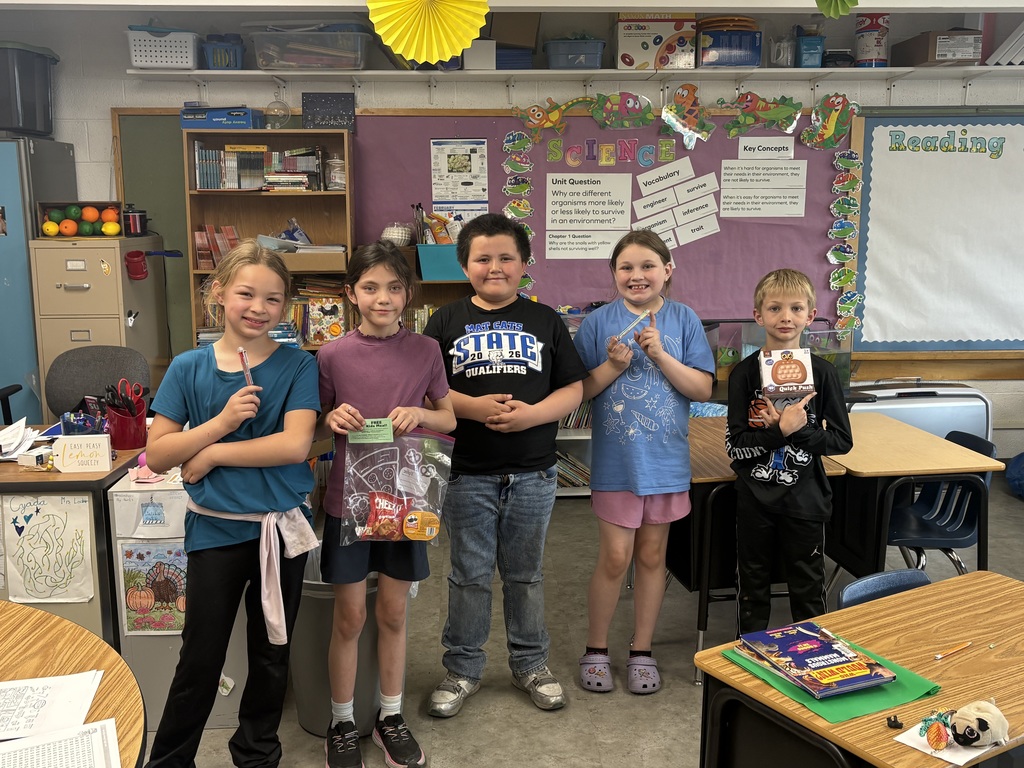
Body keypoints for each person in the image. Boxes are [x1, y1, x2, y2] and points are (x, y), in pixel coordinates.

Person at [144, 240, 321, 768]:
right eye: (245, 293)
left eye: (273, 299)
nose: (258, 308)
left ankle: (257, 752)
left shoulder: (297, 366)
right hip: (216, 533)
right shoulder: (187, 368)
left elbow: (293, 446)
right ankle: (170, 760)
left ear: (285, 308)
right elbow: (158, 454)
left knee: (271, 653)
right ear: (219, 292)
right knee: (199, 656)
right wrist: (220, 422)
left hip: (279, 531)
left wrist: (214, 453)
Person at [423, 213, 587, 717]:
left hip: (534, 471)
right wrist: (474, 408)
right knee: (468, 575)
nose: (495, 267)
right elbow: (426, 387)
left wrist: (533, 415)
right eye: (482, 258)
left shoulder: (545, 320)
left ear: (524, 264)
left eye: (506, 258)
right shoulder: (445, 320)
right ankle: (463, 669)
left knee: (526, 574)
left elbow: (574, 387)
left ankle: (531, 664)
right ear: (464, 265)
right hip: (467, 472)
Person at [316, 241, 455, 768]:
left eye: (394, 287)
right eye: (370, 287)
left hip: (406, 498)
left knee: (394, 611)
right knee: (349, 617)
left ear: (409, 294)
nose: (383, 298)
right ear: (351, 294)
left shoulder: (424, 351)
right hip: (348, 504)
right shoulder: (330, 354)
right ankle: (342, 720)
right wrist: (331, 420)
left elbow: (450, 420)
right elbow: (314, 425)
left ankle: (390, 716)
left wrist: (417, 415)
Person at [572, 230, 714, 694]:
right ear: (613, 274)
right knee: (615, 558)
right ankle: (596, 648)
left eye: (648, 266)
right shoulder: (597, 325)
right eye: (626, 268)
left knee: (653, 556)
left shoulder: (684, 320)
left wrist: (659, 353)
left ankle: (641, 650)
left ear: (667, 270)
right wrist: (613, 366)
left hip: (666, 462)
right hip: (617, 464)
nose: (637, 275)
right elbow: (581, 392)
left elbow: (702, 389)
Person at [726, 268, 853, 634]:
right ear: (758, 315)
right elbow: (735, 446)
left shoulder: (824, 374)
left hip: (806, 498)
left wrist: (800, 433)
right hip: (755, 497)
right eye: (775, 308)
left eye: (796, 309)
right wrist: (779, 432)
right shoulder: (744, 374)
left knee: (808, 582)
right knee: (752, 582)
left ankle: (816, 654)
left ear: (810, 316)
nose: (786, 317)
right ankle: (748, 650)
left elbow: (842, 442)